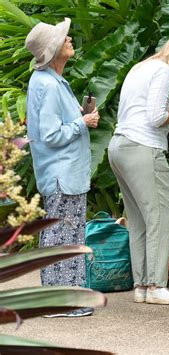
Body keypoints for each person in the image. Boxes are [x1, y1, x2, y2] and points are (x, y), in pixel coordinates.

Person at [108, 35, 169, 305]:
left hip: (119, 146)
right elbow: (156, 117)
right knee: (162, 215)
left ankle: (141, 286)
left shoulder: (141, 67)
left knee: (138, 219)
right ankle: (157, 286)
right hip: (143, 148)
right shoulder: (163, 71)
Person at [25, 18, 100, 317]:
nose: (69, 40)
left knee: (64, 234)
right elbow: (51, 135)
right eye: (64, 39)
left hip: (63, 173)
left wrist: (80, 115)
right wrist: (83, 122)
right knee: (63, 236)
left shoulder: (49, 81)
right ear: (54, 50)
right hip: (62, 174)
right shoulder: (49, 85)